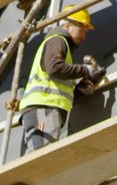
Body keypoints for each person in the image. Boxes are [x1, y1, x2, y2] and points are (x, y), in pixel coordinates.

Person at [19, 8, 104, 155]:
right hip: (43, 107)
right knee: (40, 156)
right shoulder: (58, 40)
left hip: (46, 108)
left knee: (41, 155)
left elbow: (59, 91)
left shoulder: (61, 47)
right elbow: (54, 68)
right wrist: (85, 70)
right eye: (82, 30)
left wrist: (81, 89)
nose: (84, 37)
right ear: (67, 26)